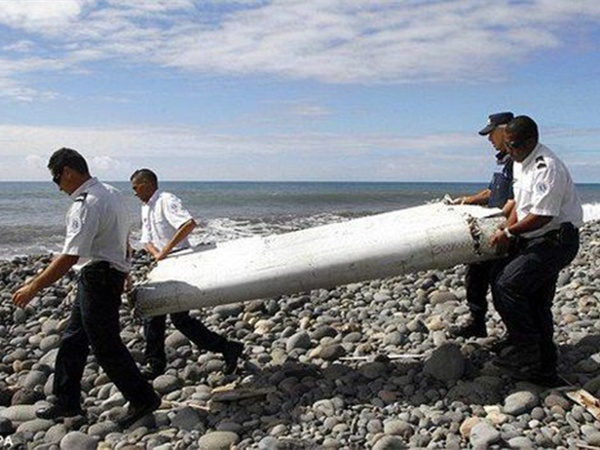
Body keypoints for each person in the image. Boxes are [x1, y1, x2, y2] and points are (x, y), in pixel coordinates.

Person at [12, 148, 160, 428]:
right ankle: (66, 399)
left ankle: (143, 398)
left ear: (68, 172)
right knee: (74, 339)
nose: (58, 187)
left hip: (98, 278)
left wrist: (33, 286)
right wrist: (124, 269)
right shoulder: (112, 194)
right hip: (105, 274)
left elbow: (70, 256)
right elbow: (123, 239)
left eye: (56, 178)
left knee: (106, 345)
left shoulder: (86, 203)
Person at [489, 115, 582, 385]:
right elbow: (521, 204)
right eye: (508, 145)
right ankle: (542, 364)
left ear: (532, 141)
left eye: (515, 145)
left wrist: (509, 233)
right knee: (531, 298)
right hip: (536, 238)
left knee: (509, 285)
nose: (510, 150)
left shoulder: (547, 167)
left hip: (556, 241)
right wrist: (508, 227)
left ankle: (528, 353)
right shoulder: (520, 162)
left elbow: (542, 214)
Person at [130, 168, 243, 379]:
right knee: (156, 315)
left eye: (136, 188)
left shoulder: (166, 200)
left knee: (177, 318)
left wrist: (165, 251)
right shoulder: (145, 208)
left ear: (146, 184)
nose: (134, 193)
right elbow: (146, 240)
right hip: (163, 265)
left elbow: (188, 224)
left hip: (180, 262)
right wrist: (156, 254)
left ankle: (226, 347)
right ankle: (156, 364)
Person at [450, 111, 515, 338]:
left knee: (501, 283)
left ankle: (515, 334)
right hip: (491, 226)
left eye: (491, 133)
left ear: (505, 131)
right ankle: (477, 322)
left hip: (506, 229)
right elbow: (491, 192)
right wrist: (468, 200)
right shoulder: (502, 161)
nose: (489, 139)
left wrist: (504, 228)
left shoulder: (517, 161)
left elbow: (515, 201)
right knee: (475, 275)